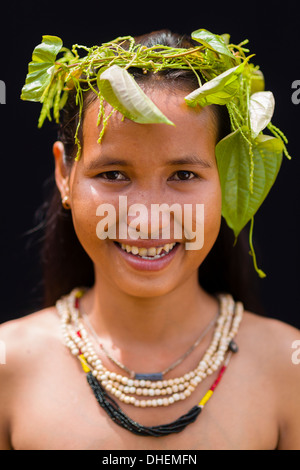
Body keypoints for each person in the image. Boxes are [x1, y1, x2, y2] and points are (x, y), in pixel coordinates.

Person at [0, 29, 299, 450]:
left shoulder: (289, 368)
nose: (146, 218)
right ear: (64, 175)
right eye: (113, 175)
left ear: (230, 179)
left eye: (183, 175)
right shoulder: (8, 365)